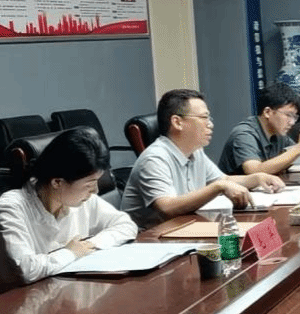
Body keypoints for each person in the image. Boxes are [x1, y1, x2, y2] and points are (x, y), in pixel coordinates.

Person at [0, 127, 137, 304]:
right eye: (90, 184)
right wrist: (71, 252)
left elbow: (126, 225)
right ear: (57, 182)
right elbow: (25, 270)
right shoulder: (10, 208)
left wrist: (90, 245)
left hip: (55, 297)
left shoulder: (81, 199)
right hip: (3, 308)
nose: (95, 191)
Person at [121, 89, 285, 228]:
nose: (210, 124)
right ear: (177, 122)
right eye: (204, 117)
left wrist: (257, 178)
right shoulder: (154, 158)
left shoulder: (195, 151)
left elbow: (224, 180)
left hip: (184, 229)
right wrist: (218, 187)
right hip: (151, 240)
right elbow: (167, 207)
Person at [218, 82, 300, 176]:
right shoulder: (244, 134)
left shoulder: (278, 133)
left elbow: (297, 158)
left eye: (294, 117)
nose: (292, 122)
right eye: (288, 115)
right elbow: (254, 171)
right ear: (267, 112)